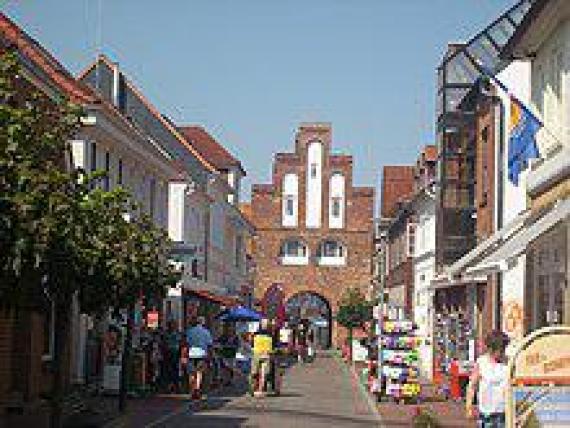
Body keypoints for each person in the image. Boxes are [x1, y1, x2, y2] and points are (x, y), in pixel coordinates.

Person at [465, 330, 510, 427]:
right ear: (491, 348)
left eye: (504, 348)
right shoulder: (482, 362)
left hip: (504, 413)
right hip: (486, 413)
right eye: (500, 349)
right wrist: (469, 407)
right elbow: (472, 386)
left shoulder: (509, 363)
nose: (502, 351)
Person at [186, 316, 213, 400]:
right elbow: (209, 344)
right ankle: (197, 388)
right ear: (203, 323)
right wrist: (210, 356)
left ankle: (192, 390)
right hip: (202, 354)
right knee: (199, 373)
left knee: (191, 373)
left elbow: (186, 343)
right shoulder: (206, 332)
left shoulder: (190, 331)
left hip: (191, 353)